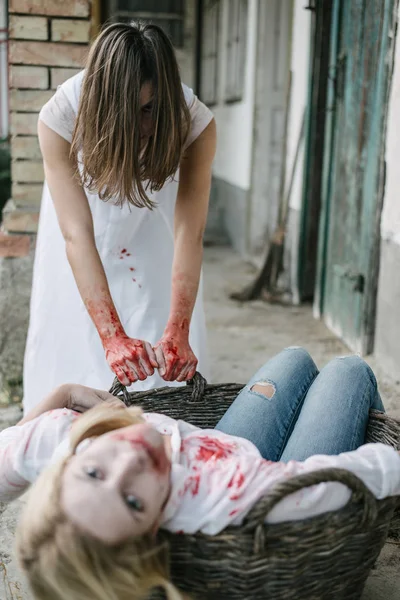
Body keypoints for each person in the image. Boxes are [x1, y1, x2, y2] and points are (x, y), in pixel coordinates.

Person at [1, 348, 399, 600]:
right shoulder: (228, 497)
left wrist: (67, 393)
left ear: (65, 465)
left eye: (93, 472)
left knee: (295, 358)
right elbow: (376, 468)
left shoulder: (65, 442)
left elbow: (10, 450)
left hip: (217, 446)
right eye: (133, 501)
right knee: (347, 369)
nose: (130, 463)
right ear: (152, 532)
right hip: (272, 475)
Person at [23, 21, 216, 414]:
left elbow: (189, 233)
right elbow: (76, 234)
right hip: (82, 234)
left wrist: (177, 329)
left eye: (152, 110)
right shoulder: (59, 116)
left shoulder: (195, 122)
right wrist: (112, 337)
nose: (144, 126)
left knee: (158, 331)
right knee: (77, 338)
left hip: (154, 231)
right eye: (132, 112)